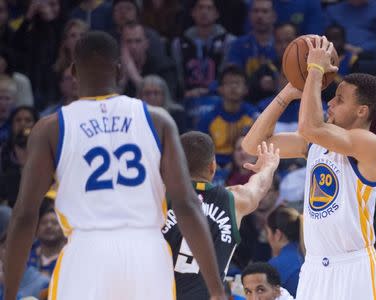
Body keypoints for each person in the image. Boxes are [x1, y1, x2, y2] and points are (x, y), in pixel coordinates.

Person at [3, 31, 226, 300]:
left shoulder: (51, 128)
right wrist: (216, 290)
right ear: (119, 71)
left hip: (86, 252)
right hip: (147, 253)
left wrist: (10, 292)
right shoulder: (158, 119)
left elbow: (25, 214)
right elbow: (187, 204)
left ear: (73, 71)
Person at [242, 35, 376, 299]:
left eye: (340, 100)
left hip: (353, 266)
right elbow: (253, 144)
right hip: (314, 267)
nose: (330, 103)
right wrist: (288, 92)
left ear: (362, 111)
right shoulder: (315, 144)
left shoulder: (369, 144)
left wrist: (316, 71)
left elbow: (310, 126)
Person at [162, 131, 279, 299]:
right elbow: (259, 187)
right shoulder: (234, 200)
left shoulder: (160, 199)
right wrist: (269, 165)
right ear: (212, 166)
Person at [266, 206, 304, 296]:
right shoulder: (309, 255)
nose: (267, 237)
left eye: (267, 232)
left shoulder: (275, 266)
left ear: (278, 235)